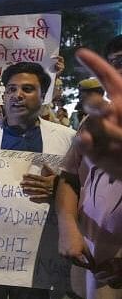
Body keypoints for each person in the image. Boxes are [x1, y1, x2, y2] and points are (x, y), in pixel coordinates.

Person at [0, 61, 75, 299]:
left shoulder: (67, 140)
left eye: (27, 89)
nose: (17, 96)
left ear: (43, 95)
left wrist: (61, 189)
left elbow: (89, 192)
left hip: (41, 261)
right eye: (11, 89)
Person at [56, 46, 122, 299]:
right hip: (89, 267)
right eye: (112, 63)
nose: (116, 71)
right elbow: (71, 177)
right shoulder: (93, 121)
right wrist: (67, 226)